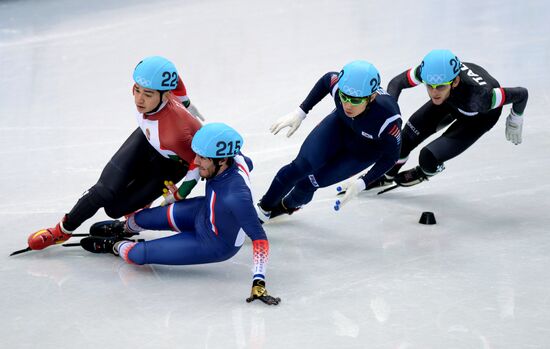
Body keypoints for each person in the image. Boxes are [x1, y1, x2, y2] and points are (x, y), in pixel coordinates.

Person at [80, 123, 280, 305]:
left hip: (215, 243)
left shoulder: (236, 196)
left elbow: (260, 239)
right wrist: (182, 191)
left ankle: (113, 246)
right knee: (141, 217)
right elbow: (245, 163)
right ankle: (124, 228)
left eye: (202, 158)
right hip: (204, 211)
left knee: (137, 255)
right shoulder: (234, 158)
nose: (195, 161)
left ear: (222, 161)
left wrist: (258, 282)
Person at [26, 56, 203, 251]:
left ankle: (138, 209)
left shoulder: (176, 133)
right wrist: (186, 101)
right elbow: (175, 78)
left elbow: (198, 162)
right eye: (137, 90)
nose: (139, 99)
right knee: (103, 191)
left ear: (165, 94)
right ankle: (61, 232)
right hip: (149, 139)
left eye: (148, 94)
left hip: (172, 161)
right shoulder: (155, 98)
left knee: (114, 210)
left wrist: (180, 194)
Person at [257, 60, 402, 221]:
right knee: (299, 167)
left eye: (355, 100)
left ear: (372, 97)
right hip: (339, 126)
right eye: (344, 97)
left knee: (308, 183)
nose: (348, 105)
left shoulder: (388, 118)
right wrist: (301, 112)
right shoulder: (339, 86)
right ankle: (262, 210)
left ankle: (286, 207)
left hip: (364, 151)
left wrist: (363, 182)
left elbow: (391, 157)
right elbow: (327, 79)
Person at [368, 49, 529, 189]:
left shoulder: (481, 97)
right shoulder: (428, 72)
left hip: (479, 116)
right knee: (403, 140)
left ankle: (425, 172)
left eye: (440, 87)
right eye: (429, 86)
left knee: (428, 158)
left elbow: (522, 94)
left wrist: (516, 118)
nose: (434, 92)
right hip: (450, 101)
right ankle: (388, 176)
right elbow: (396, 83)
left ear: (455, 81)